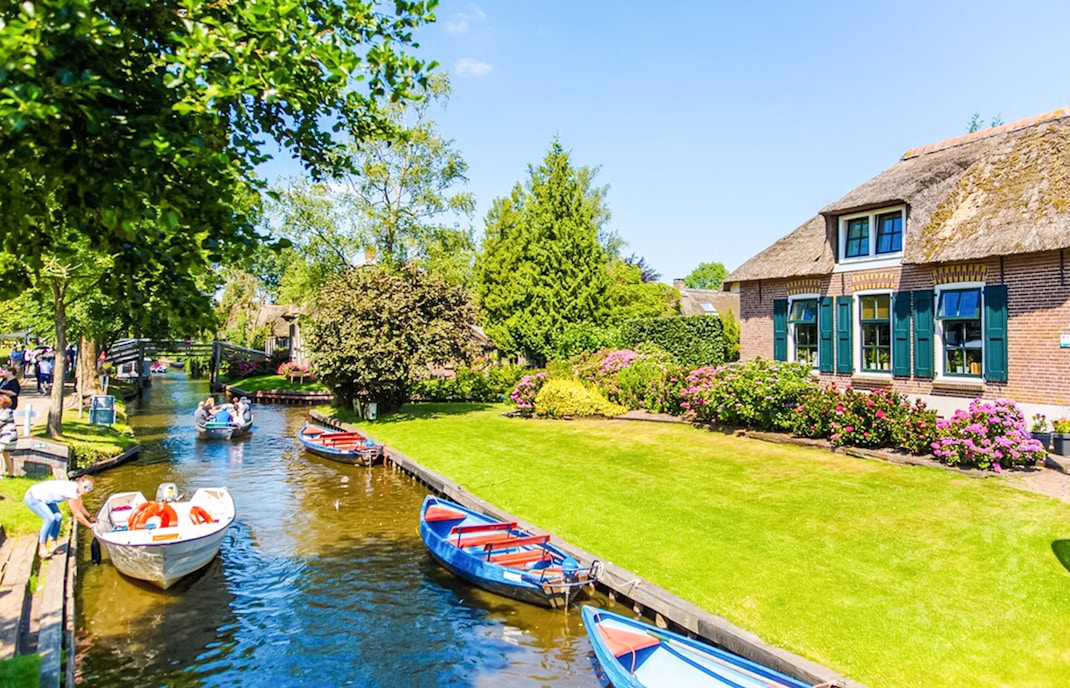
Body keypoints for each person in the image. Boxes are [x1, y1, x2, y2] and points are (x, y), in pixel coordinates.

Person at [23, 475, 96, 560]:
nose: (86, 490)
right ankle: (42, 548)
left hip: (47, 499)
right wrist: (89, 525)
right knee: (49, 519)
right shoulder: (72, 491)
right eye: (85, 487)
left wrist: (89, 517)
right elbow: (76, 513)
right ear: (80, 482)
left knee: (58, 517)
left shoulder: (77, 491)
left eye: (89, 489)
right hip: (33, 497)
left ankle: (53, 546)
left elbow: (79, 505)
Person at [0, 396, 16, 477]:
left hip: (8, 436)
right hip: (5, 436)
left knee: (3, 454)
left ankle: (0, 474)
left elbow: (1, 422)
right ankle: (11, 474)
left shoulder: (7, 412)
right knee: (6, 455)